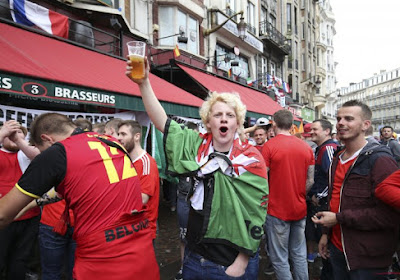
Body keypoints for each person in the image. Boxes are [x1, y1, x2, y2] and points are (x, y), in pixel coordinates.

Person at [126, 57, 268, 279]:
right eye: (217, 114)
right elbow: (163, 122)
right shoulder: (195, 144)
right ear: (208, 121)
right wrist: (144, 83)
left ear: (237, 123)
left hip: (230, 257)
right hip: (194, 253)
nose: (224, 119)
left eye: (230, 115)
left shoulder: (251, 159)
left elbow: (257, 213)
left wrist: (241, 261)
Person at [0, 113, 159, 279]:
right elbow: (71, 188)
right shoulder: (107, 140)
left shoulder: (58, 153)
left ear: (47, 139)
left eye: (41, 150)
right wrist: (29, 205)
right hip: (140, 247)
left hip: (102, 260)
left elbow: (2, 215)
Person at [312, 100, 400, 280]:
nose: (341, 123)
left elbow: (388, 216)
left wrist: (338, 218)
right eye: (339, 118)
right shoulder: (337, 157)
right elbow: (334, 199)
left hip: (366, 258)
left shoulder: (380, 160)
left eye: (349, 119)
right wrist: (325, 235)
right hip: (337, 249)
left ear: (365, 125)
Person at [261, 109, 315, 280]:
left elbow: (262, 179)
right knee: (299, 254)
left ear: (274, 124)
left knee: (279, 257)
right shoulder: (306, 147)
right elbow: (311, 180)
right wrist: (298, 193)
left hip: (276, 209)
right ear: (292, 125)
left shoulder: (269, 146)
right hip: (299, 208)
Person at [0, 120, 40, 280]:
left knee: (20, 259)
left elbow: (38, 155)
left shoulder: (24, 154)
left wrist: (18, 139)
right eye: (8, 136)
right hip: (3, 217)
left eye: (18, 135)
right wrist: (3, 131)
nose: (12, 137)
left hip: (29, 216)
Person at [117, 120, 160, 241]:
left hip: (143, 231)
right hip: (128, 228)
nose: (119, 138)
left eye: (123, 134)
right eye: (119, 134)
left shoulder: (147, 163)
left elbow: (142, 199)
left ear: (137, 136)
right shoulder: (126, 160)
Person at [306, 119, 339, 264]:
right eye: (311, 129)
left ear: (327, 131)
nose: (311, 132)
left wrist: (319, 196)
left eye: (315, 129)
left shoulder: (328, 148)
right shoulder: (321, 148)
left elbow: (333, 177)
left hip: (326, 203)